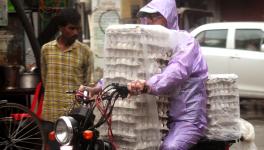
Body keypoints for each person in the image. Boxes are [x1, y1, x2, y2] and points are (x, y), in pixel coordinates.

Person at [127, 0, 208, 150]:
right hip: (155, 118)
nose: (150, 22)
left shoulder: (186, 42)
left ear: (169, 16)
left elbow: (177, 71)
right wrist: (98, 88)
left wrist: (148, 85)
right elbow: (128, 67)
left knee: (170, 148)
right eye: (147, 17)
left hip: (185, 119)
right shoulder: (149, 46)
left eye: (156, 16)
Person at [40, 8, 94, 149]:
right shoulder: (46, 50)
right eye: (71, 28)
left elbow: (89, 84)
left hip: (74, 118)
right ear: (60, 28)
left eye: (78, 29)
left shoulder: (85, 52)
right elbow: (45, 79)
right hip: (50, 115)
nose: (76, 32)